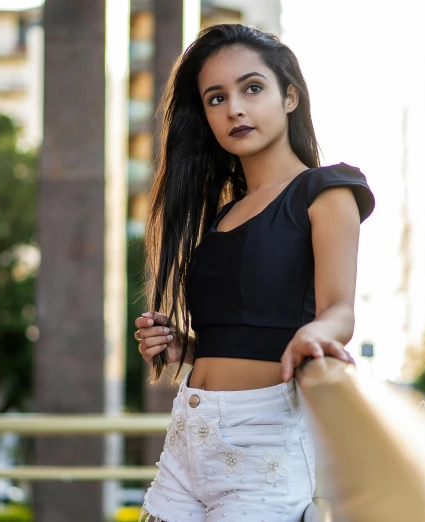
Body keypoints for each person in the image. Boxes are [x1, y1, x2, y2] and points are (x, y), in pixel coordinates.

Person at [133, 24, 375, 522]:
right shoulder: (222, 216)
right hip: (187, 438)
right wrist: (186, 348)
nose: (234, 109)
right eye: (216, 98)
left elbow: (339, 312)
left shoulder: (325, 191)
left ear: (289, 97)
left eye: (252, 88)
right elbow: (249, 329)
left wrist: (315, 333)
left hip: (264, 443)